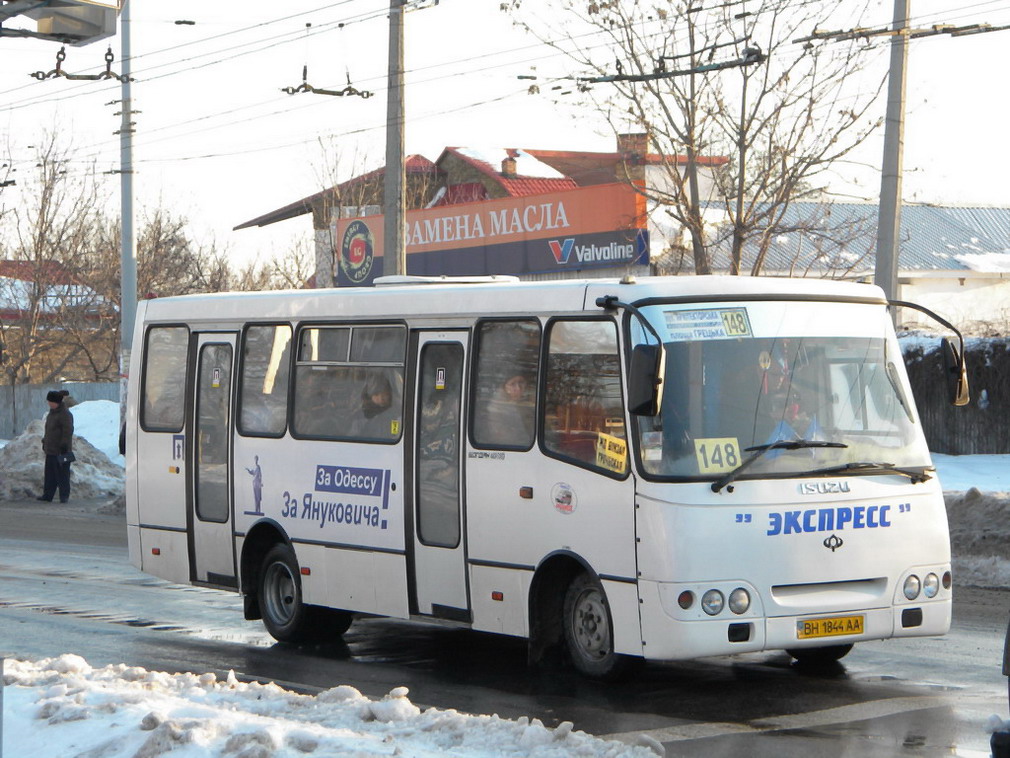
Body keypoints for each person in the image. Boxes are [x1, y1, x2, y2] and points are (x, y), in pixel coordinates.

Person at [39, 389, 74, 503]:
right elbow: (49, 430)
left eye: (50, 401)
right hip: (51, 449)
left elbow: (67, 431)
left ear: (56, 402)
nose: (49, 403)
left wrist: (64, 445)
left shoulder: (65, 414)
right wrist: (45, 441)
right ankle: (48, 495)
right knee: (50, 475)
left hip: (61, 450)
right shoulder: (51, 413)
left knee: (62, 475)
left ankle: (64, 496)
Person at [481, 372, 534, 447]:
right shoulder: (497, 407)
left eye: (521, 382)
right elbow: (501, 436)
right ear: (504, 387)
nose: (518, 388)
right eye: (513, 384)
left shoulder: (524, 402)